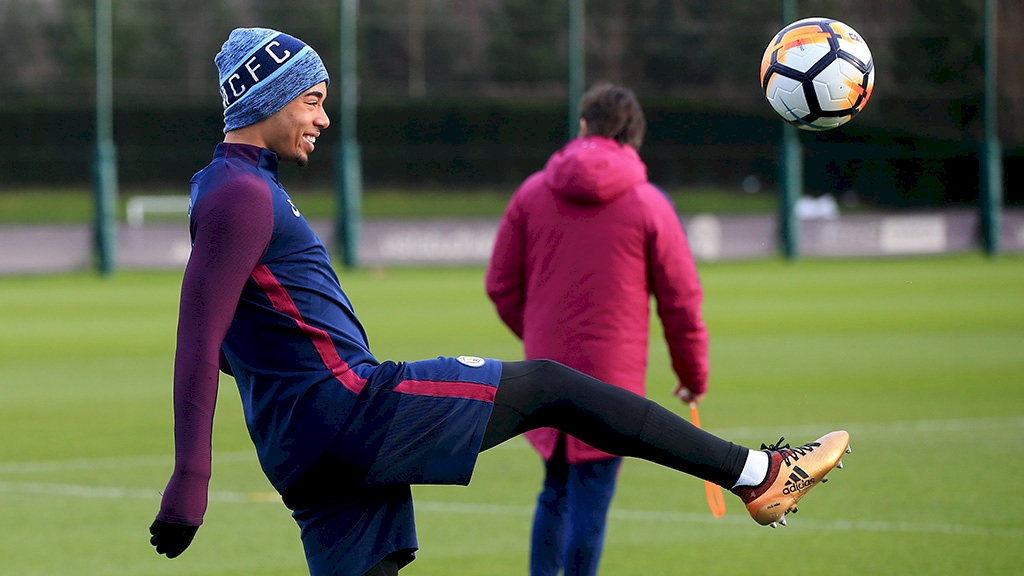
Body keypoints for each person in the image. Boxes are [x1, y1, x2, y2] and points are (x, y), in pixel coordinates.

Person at [149, 27, 852, 576]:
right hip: (349, 414)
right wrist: (191, 477)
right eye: (313, 99)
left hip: (307, 447)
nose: (324, 119)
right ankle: (759, 474)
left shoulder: (232, 189)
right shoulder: (240, 194)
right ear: (268, 98)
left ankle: (759, 476)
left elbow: (238, 339)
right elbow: (197, 336)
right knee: (549, 385)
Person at [485, 83, 708, 576]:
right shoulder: (648, 203)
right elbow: (681, 299)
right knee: (591, 495)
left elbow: (500, 284)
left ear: (584, 125)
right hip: (614, 376)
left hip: (544, 373)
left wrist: (536, 333)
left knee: (556, 488)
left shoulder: (532, 191)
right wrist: (692, 372)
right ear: (633, 136)